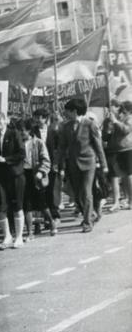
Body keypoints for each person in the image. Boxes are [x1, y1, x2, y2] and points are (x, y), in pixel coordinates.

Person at [55, 98, 107, 233]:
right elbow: (61, 147)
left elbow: (98, 145)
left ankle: (87, 222)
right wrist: (57, 163)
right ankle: (91, 213)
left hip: (88, 162)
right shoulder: (65, 127)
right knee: (77, 195)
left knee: (86, 191)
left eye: (67, 111)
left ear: (74, 111)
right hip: (73, 164)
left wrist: (103, 164)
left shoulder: (90, 124)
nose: (65, 113)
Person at [0, 111, 27, 248]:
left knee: (17, 206)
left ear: (5, 120)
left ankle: (19, 237)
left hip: (15, 175)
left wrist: (5, 160)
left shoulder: (14, 133)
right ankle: (7, 236)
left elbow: (21, 154)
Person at [19, 118, 55, 239]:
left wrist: (41, 172)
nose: (20, 133)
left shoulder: (38, 142)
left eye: (22, 130)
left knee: (41, 202)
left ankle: (51, 222)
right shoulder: (18, 143)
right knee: (27, 203)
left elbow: (46, 160)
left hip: (35, 175)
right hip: (23, 174)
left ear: (29, 130)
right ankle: (30, 232)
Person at [102, 100, 132, 211]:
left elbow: (126, 130)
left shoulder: (128, 117)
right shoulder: (107, 120)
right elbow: (104, 137)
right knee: (114, 176)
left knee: (128, 175)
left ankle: (130, 201)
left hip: (126, 149)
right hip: (113, 150)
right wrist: (107, 129)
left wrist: (115, 122)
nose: (108, 110)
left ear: (118, 107)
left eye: (110, 107)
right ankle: (115, 202)